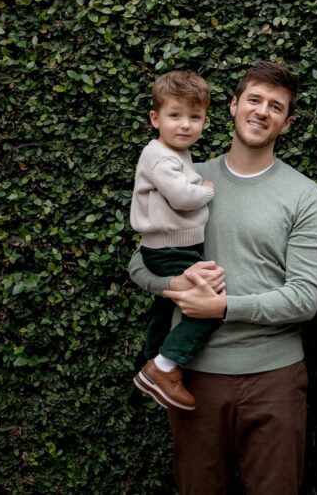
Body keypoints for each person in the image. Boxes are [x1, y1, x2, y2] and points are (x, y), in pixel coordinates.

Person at [127, 61, 317, 494]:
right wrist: (172, 286)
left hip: (275, 377)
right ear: (234, 106)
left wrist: (223, 307)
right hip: (194, 376)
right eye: (253, 100)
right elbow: (140, 263)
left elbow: (305, 298)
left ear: (287, 123)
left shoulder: (304, 194)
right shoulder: (189, 178)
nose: (261, 111)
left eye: (276, 106)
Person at [130, 70, 217, 411]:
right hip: (170, 248)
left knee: (166, 309)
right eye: (175, 115)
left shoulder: (175, 153)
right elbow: (181, 197)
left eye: (194, 117)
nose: (185, 125)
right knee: (209, 306)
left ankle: (151, 360)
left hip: (173, 246)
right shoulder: (161, 155)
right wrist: (207, 190)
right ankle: (163, 368)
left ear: (205, 120)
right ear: (155, 118)